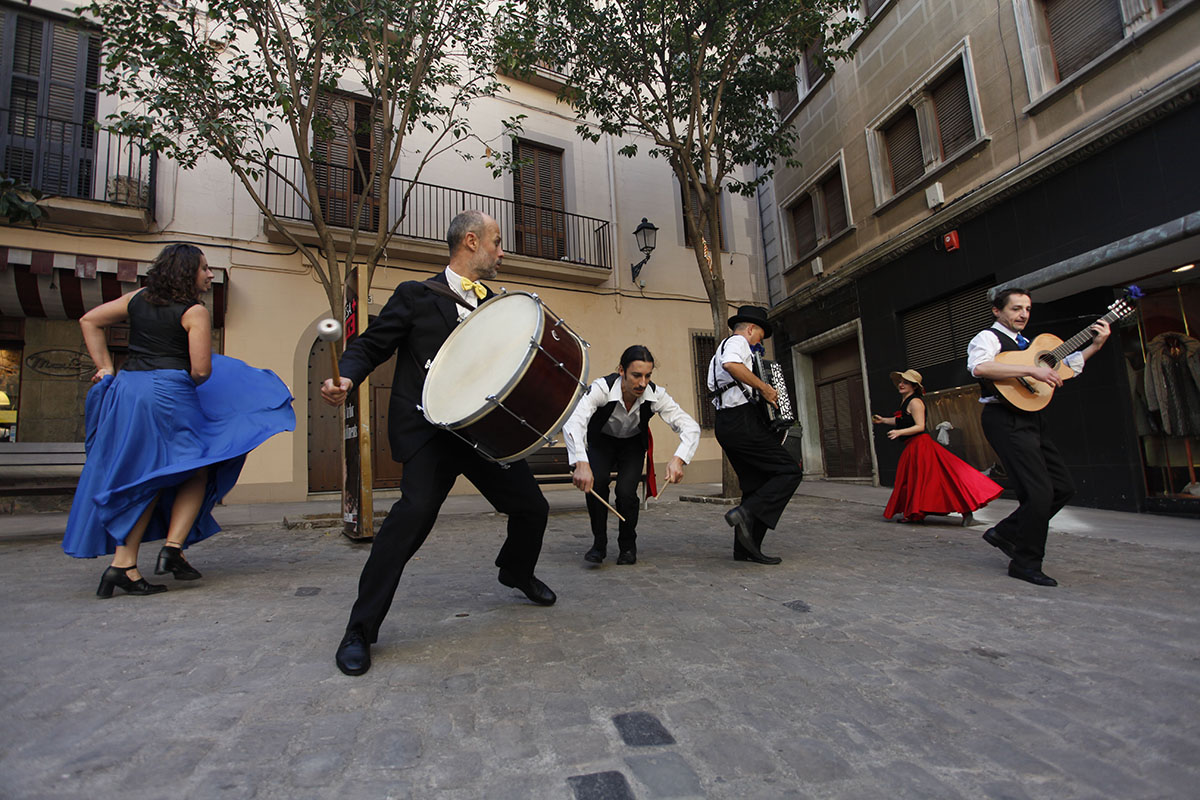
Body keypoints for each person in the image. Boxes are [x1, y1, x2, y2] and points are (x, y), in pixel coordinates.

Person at [321, 210, 555, 677]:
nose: (502, 251)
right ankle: (360, 630)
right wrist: (346, 377)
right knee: (409, 522)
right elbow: (371, 345)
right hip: (430, 432)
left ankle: (515, 570)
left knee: (533, 508)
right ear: (471, 242)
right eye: (496, 242)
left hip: (482, 432)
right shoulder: (415, 295)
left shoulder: (498, 303)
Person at [62, 244, 295, 596]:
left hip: (127, 390)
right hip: (167, 393)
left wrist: (105, 368)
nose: (210, 275)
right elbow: (201, 369)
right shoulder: (194, 311)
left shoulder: (138, 298)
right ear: (189, 273)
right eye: (204, 269)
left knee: (145, 475)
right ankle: (171, 548)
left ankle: (124, 565)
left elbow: (89, 320)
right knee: (195, 466)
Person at [966, 287, 1110, 586]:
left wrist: (1095, 346)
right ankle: (1025, 562)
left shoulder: (1028, 345)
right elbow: (979, 367)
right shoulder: (988, 338)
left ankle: (1006, 531)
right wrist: (1033, 371)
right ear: (997, 311)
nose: (1023, 315)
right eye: (1016, 308)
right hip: (1004, 418)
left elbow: (1064, 368)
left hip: (1033, 418)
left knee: (1062, 487)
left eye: (1027, 309)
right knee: (1039, 492)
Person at [563, 345, 701, 565]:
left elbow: (690, 427)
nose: (643, 383)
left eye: (647, 376)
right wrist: (580, 462)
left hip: (632, 445)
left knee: (626, 493)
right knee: (596, 485)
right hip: (601, 442)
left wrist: (679, 459)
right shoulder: (602, 388)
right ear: (621, 371)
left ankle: (628, 546)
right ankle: (599, 545)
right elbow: (574, 423)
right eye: (636, 375)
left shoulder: (655, 394)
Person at [706, 305, 803, 564]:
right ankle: (745, 511)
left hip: (729, 423)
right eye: (760, 335)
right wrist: (764, 389)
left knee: (755, 484)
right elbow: (731, 365)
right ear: (751, 329)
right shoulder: (737, 342)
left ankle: (745, 549)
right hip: (740, 423)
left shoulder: (728, 346)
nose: (760, 341)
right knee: (789, 471)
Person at [872, 368, 1002, 525]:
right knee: (917, 479)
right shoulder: (907, 401)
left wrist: (900, 432)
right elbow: (903, 420)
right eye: (900, 382)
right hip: (914, 445)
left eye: (906, 382)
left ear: (914, 386)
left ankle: (965, 510)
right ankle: (916, 513)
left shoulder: (915, 402)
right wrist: (884, 420)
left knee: (938, 478)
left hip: (921, 445)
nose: (901, 384)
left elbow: (920, 426)